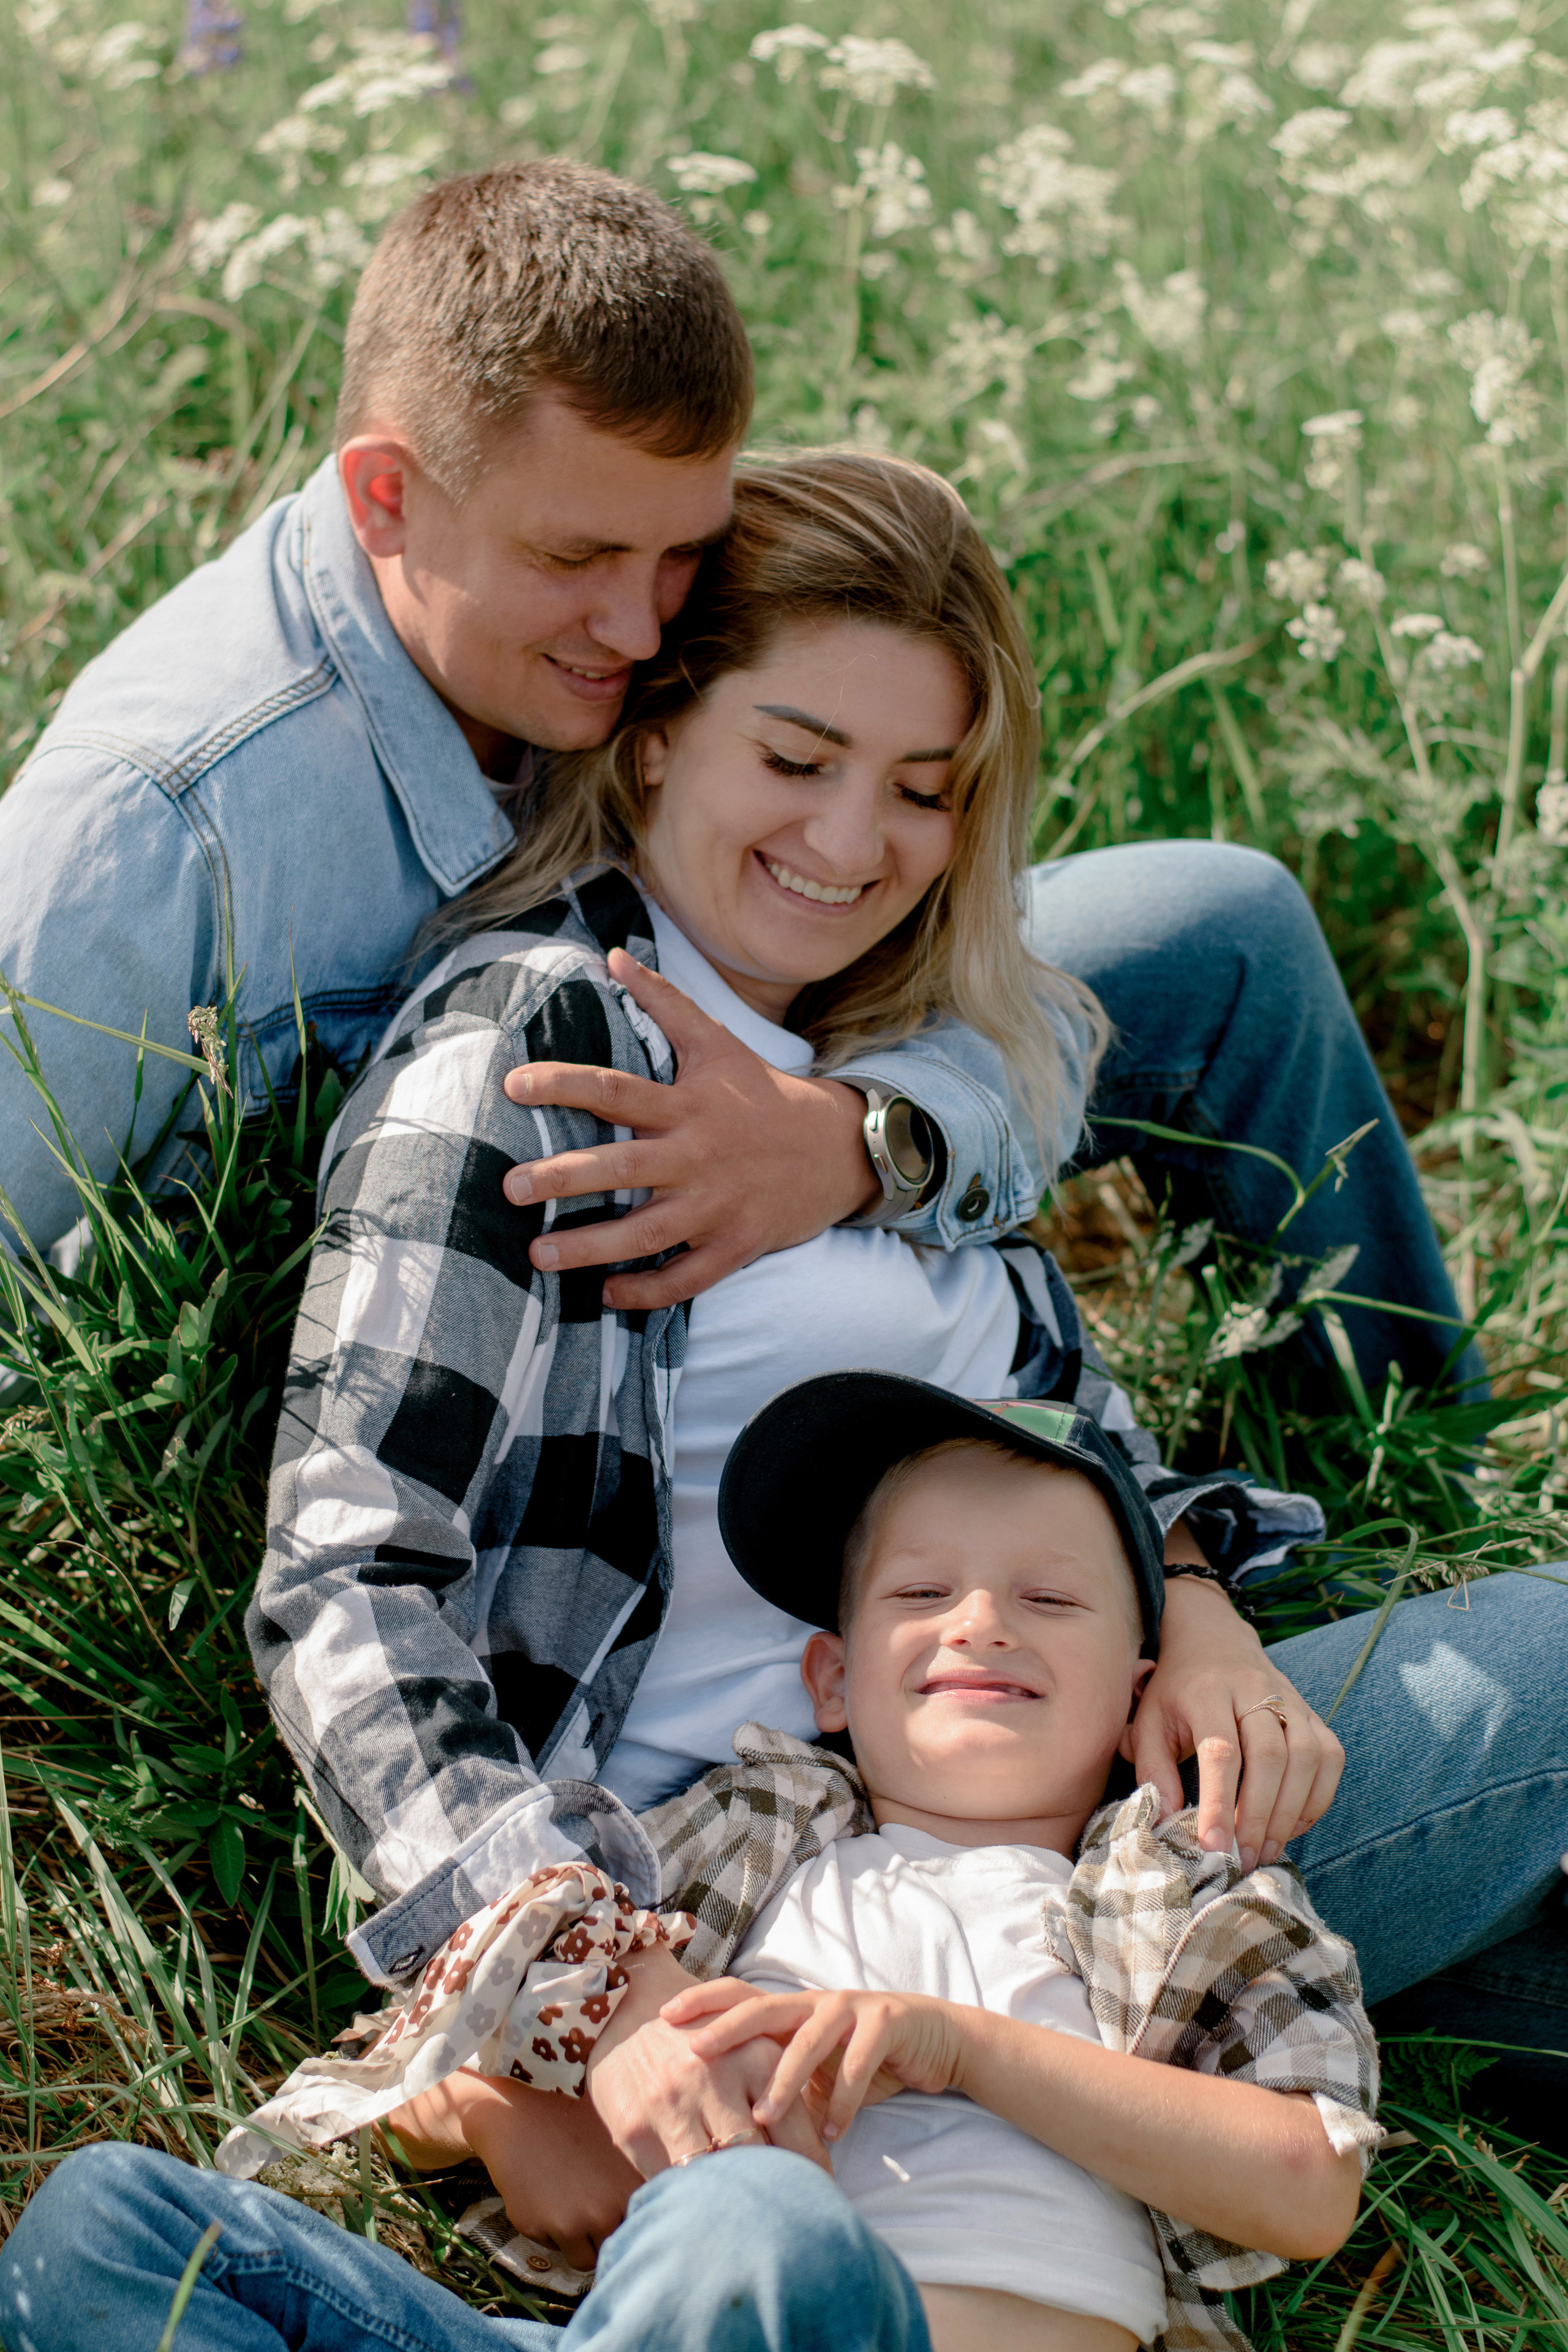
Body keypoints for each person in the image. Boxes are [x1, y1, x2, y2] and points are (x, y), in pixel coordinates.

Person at [243, 447, 1566, 2261]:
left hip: (1060, 1748)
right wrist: (592, 1988)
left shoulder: (898, 1052)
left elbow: (1054, 1424)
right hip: (789, 1883)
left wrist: (1189, 1597)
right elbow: (343, 1583)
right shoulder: (533, 1066)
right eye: (796, 761)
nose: (852, 842)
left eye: (923, 790)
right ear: (654, 736)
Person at [0, 159, 1472, 1405]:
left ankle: (1413, 1482)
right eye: (576, 560)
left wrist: (861, 1142)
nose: (644, 633)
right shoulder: (156, 827)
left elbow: (919, 932)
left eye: (682, 553)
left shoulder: (611, 563)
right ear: (387, 495)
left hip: (766, 1049)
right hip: (463, 1321)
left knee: (1221, 930)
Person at [0, 1381, 1380, 2352]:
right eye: (919, 1592)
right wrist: (496, 2113)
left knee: (760, 2221)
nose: (979, 1623)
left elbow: (1308, 2182)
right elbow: (424, 2050)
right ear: (829, 1679)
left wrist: (954, 2047)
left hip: (869, 2301)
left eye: (1050, 1597)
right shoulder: (744, 1843)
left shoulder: (1181, 1887)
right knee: (112, 2222)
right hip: (647, 2315)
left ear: (1139, 1693)